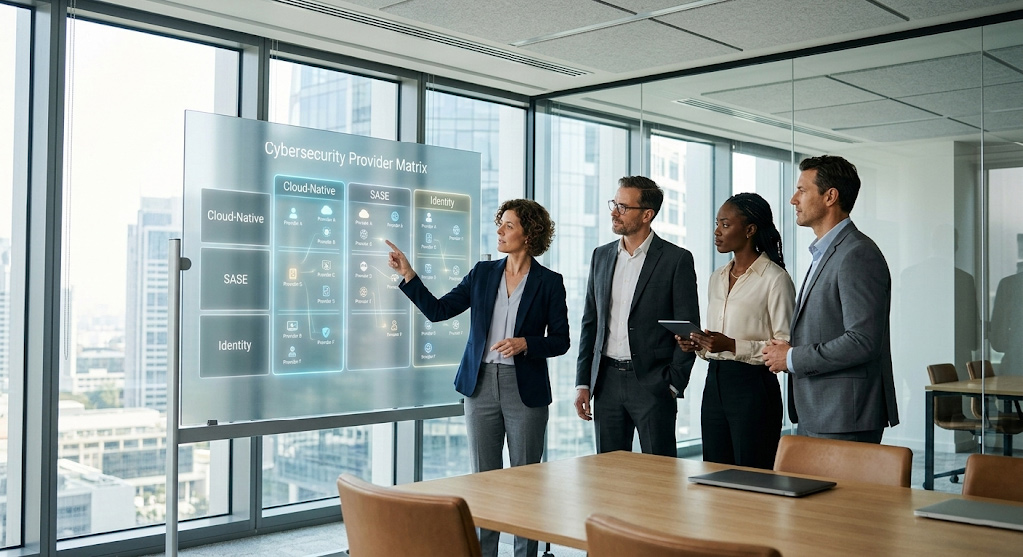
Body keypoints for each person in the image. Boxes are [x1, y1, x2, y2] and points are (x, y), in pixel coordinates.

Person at [387, 199, 569, 557]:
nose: (499, 231)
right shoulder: (483, 274)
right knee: (485, 482)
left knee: (525, 482)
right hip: (480, 385)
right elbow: (439, 310)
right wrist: (408, 274)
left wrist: (525, 343)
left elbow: (561, 341)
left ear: (529, 234)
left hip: (525, 391)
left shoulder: (549, 282)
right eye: (500, 224)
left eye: (508, 225)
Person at [762, 155, 899, 443]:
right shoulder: (827, 252)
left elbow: (862, 341)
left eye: (802, 190)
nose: (793, 200)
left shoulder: (857, 253)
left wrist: (791, 357)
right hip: (820, 410)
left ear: (830, 196)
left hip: (844, 415)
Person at [574, 176, 700, 457]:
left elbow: (689, 327)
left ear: (647, 215)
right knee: (608, 475)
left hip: (653, 384)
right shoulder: (601, 256)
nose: (614, 212)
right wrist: (584, 382)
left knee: (660, 475)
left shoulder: (675, 259)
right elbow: (590, 323)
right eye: (614, 204)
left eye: (622, 206)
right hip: (605, 382)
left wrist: (673, 383)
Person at [677, 193, 793, 469]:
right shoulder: (716, 278)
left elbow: (786, 345)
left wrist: (732, 345)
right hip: (715, 383)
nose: (717, 232)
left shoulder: (775, 279)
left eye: (725, 224)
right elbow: (717, 341)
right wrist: (700, 345)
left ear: (750, 230)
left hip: (754, 388)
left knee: (753, 474)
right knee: (715, 472)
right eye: (717, 224)